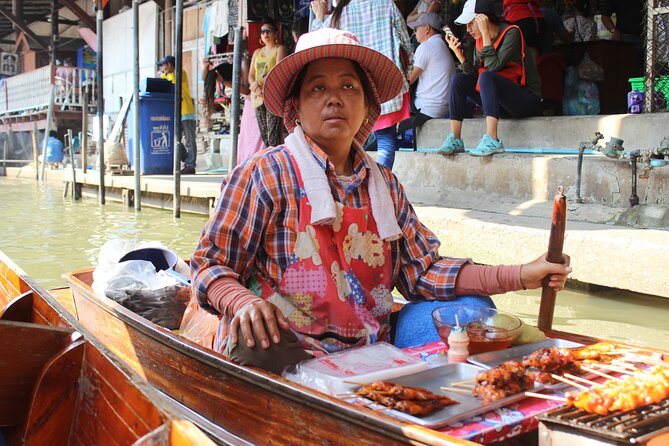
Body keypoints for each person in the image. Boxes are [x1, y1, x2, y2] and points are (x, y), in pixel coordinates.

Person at [190, 28, 572, 374]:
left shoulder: (385, 185)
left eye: (348, 87)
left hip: (370, 346)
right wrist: (242, 302)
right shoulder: (264, 173)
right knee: (253, 341)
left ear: (366, 106)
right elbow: (209, 265)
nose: (334, 99)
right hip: (286, 348)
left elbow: (423, 272)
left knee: (477, 313)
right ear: (297, 106)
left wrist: (522, 274)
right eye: (318, 88)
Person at [310, 0, 413, 171]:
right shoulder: (387, 5)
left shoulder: (340, 13)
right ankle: (379, 184)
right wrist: (407, 73)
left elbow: (315, 44)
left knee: (351, 140)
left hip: (351, 90)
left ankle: (356, 182)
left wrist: (319, 17)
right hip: (384, 82)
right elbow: (405, 44)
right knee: (386, 140)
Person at [438, 0, 542, 157]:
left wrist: (485, 33)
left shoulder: (511, 33)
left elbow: (492, 68)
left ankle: (492, 139)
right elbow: (475, 75)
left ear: (483, 19)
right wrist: (459, 54)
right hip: (503, 104)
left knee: (487, 76)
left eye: (471, 23)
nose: (468, 29)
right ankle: (456, 139)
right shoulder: (479, 41)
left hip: (526, 100)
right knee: (458, 79)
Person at [202, 54, 265, 164]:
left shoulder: (244, 63)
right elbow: (205, 78)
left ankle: (254, 163)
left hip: (255, 104)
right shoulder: (235, 68)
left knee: (255, 139)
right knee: (248, 139)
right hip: (249, 107)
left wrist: (225, 82)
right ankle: (249, 164)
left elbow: (247, 91)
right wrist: (204, 66)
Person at [405, 12, 455, 126]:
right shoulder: (442, 45)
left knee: (385, 128)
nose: (414, 33)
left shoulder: (426, 47)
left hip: (427, 108)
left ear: (427, 28)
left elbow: (408, 80)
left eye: (416, 29)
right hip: (442, 108)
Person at [249, 17, 287, 148]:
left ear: (276, 33)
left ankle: (277, 163)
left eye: (269, 30)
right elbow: (250, 76)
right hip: (258, 96)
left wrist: (258, 82)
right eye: (262, 31)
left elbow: (277, 71)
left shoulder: (279, 49)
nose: (265, 34)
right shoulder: (256, 52)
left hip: (272, 95)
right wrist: (255, 87)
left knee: (273, 135)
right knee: (265, 136)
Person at [157, 55, 198, 174]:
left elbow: (172, 82)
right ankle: (187, 159)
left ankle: (190, 165)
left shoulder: (180, 73)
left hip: (186, 111)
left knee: (189, 139)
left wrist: (162, 75)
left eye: (164, 65)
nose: (163, 68)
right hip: (176, 112)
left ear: (169, 65)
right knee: (176, 140)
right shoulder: (169, 75)